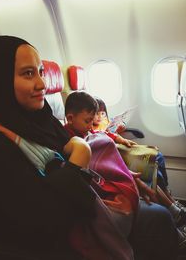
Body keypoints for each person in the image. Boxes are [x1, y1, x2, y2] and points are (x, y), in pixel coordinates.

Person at [0, 35, 138, 260]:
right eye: (28, 73)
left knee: (156, 216)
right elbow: (44, 223)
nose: (42, 84)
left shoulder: (40, 119)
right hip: (56, 241)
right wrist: (79, 157)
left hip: (83, 213)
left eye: (41, 72)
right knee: (157, 221)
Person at [64, 91, 180, 259]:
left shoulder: (83, 131)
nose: (91, 126)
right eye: (87, 121)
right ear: (70, 118)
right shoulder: (68, 138)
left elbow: (100, 136)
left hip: (110, 169)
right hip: (99, 181)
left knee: (151, 168)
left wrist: (119, 140)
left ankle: (173, 215)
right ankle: (174, 218)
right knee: (143, 183)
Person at [93, 96, 186, 227]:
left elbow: (110, 133)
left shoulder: (102, 124)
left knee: (157, 157)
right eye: (96, 113)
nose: (99, 116)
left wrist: (120, 130)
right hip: (113, 154)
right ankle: (173, 208)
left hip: (118, 148)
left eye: (102, 113)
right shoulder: (89, 130)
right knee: (151, 167)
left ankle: (170, 201)